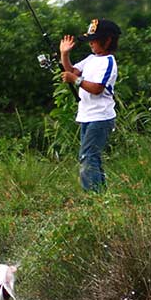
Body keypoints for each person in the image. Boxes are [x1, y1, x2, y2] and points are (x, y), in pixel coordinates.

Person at [59, 18, 120, 192]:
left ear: (107, 40)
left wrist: (76, 80)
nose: (91, 43)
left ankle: (93, 197)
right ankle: (101, 195)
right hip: (87, 115)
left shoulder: (108, 62)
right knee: (92, 156)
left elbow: (97, 89)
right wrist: (65, 54)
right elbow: (71, 71)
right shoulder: (91, 58)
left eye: (95, 39)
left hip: (100, 117)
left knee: (87, 156)